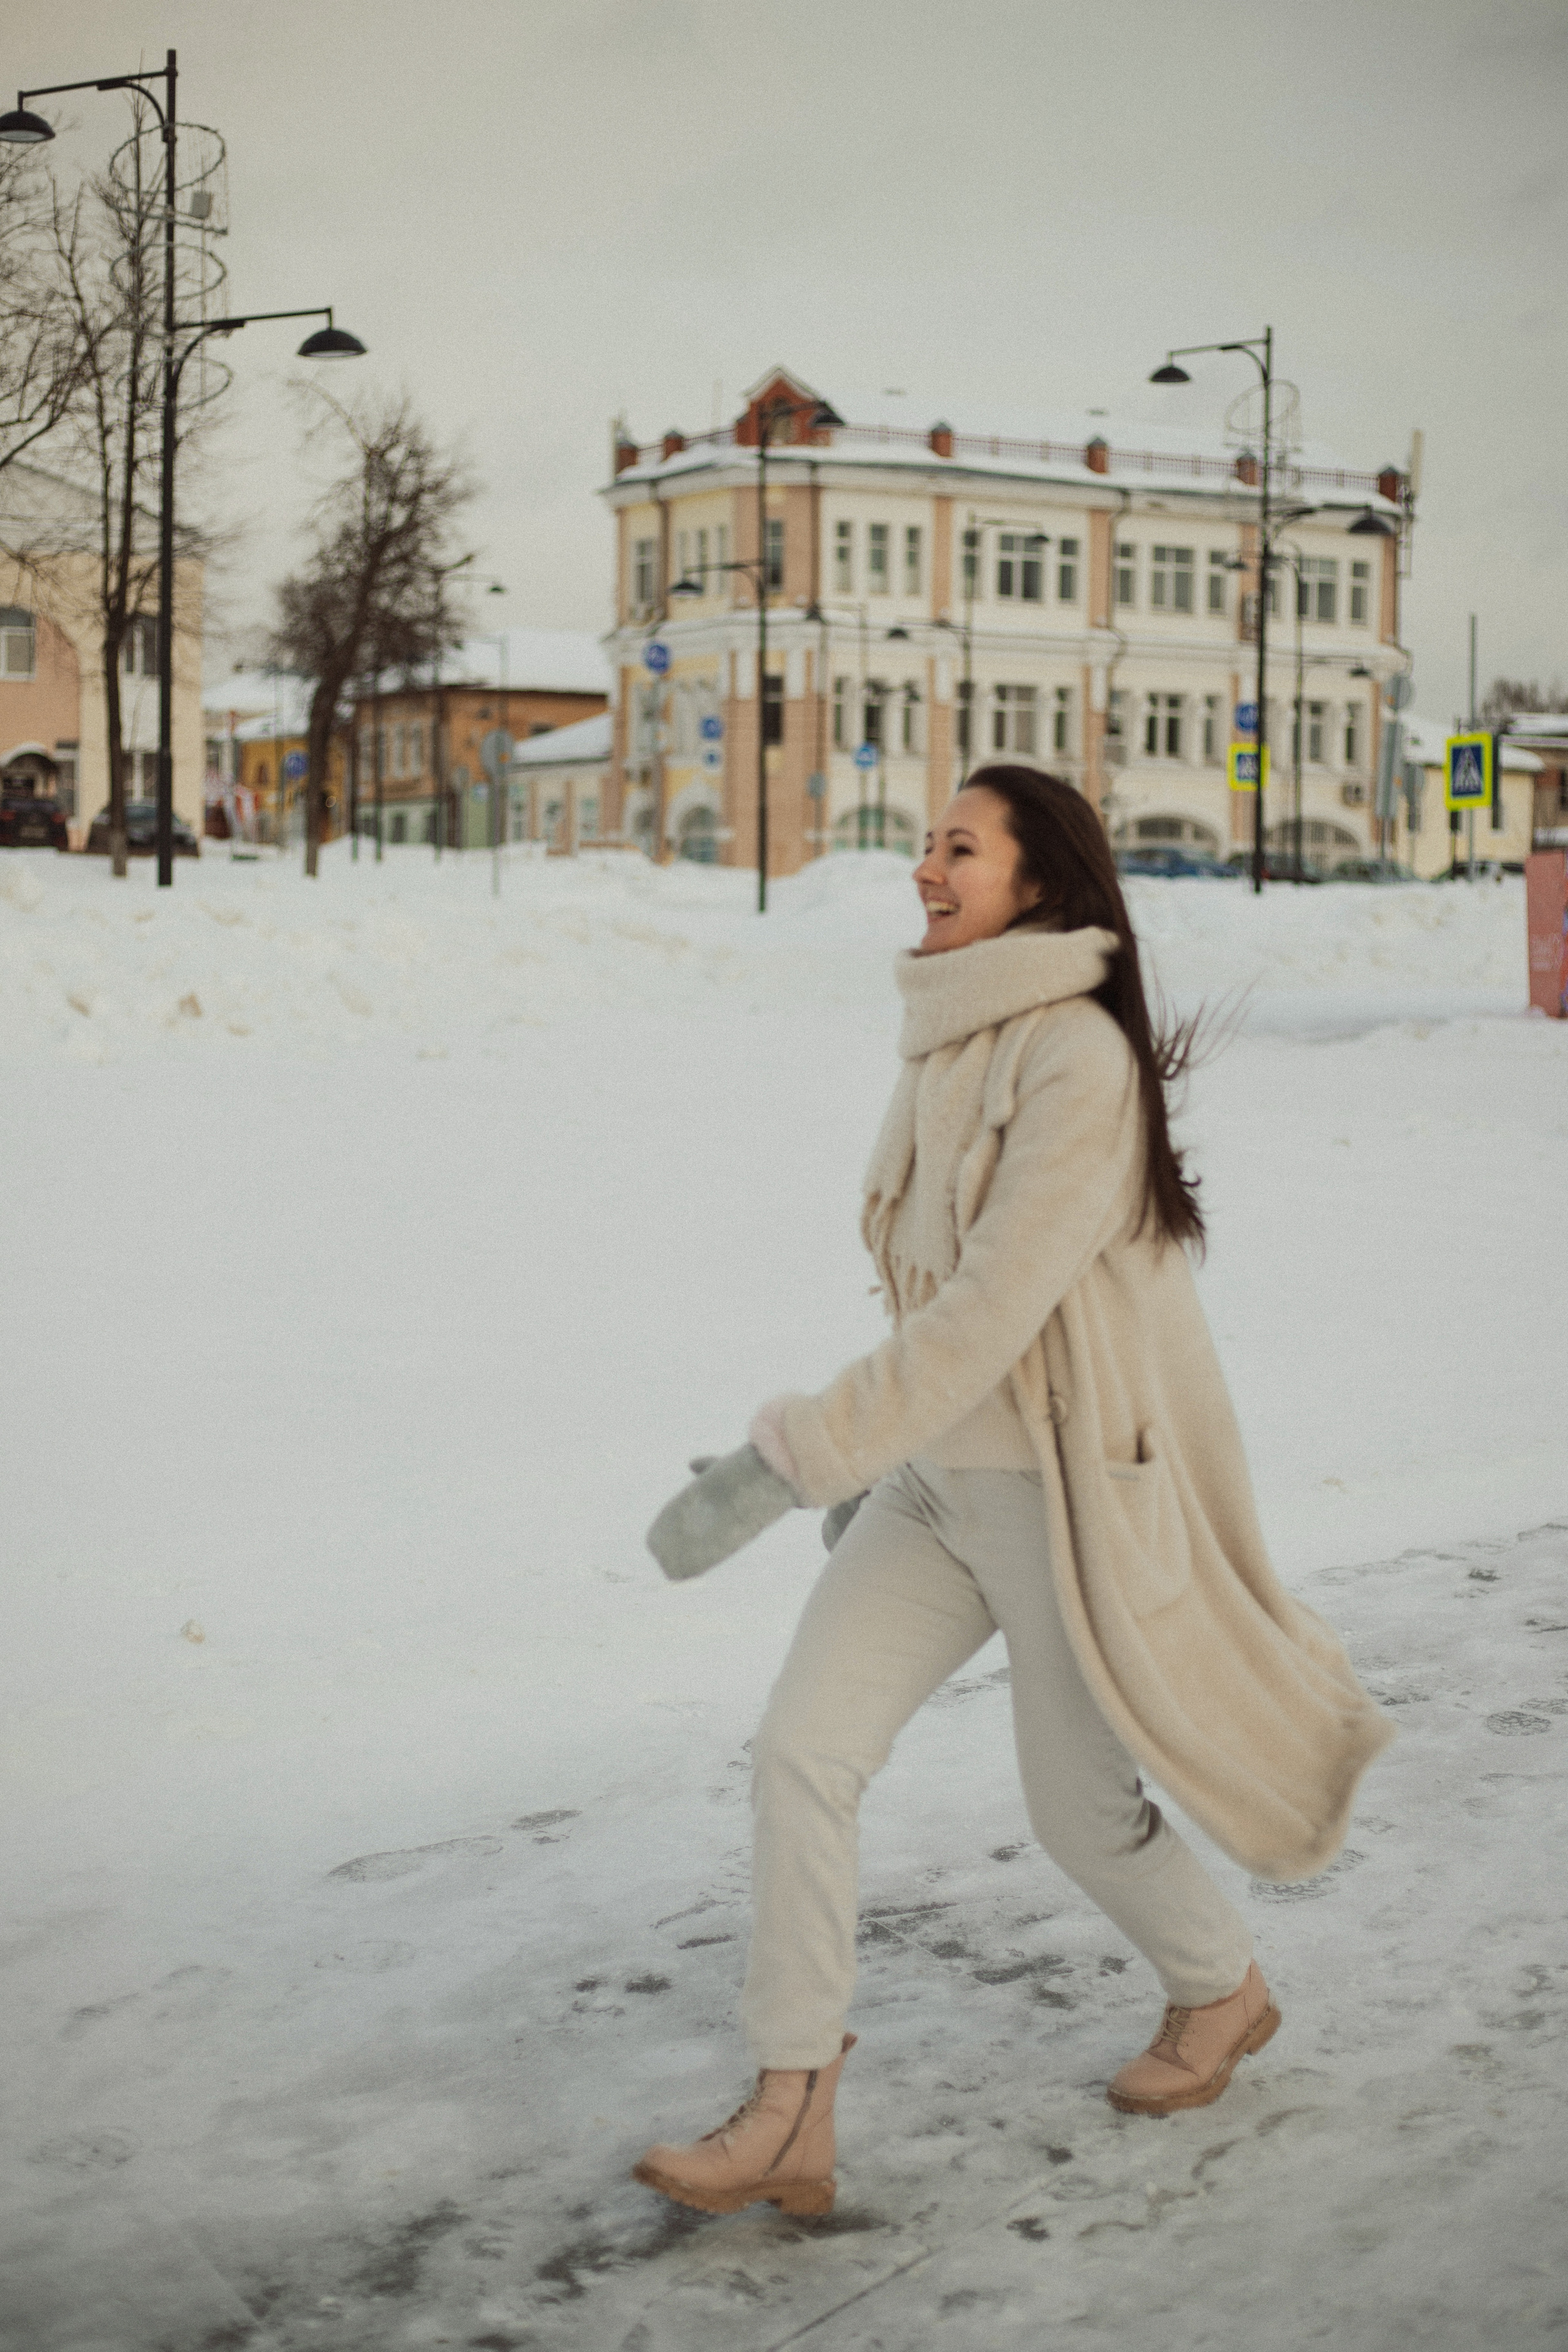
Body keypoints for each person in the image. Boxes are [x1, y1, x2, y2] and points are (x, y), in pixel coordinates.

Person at [634, 766, 1391, 2220]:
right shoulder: (947, 1036)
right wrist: (876, 1460)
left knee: (1074, 1812)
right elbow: (924, 1300)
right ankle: (790, 2105)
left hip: (1054, 1503)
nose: (925, 867)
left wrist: (805, 1450)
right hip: (932, 1498)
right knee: (800, 1753)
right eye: (926, 844)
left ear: (1036, 883)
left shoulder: (1073, 1062)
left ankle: (1219, 1990)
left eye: (959, 849)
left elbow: (989, 1308)